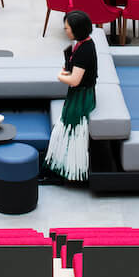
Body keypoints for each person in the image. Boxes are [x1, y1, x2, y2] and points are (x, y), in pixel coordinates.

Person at [45, 11, 98, 181]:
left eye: (67, 28)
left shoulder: (84, 51)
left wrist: (60, 76)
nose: (65, 30)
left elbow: (75, 81)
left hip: (81, 97)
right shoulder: (83, 43)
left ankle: (68, 170)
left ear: (77, 30)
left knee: (70, 128)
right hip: (83, 93)